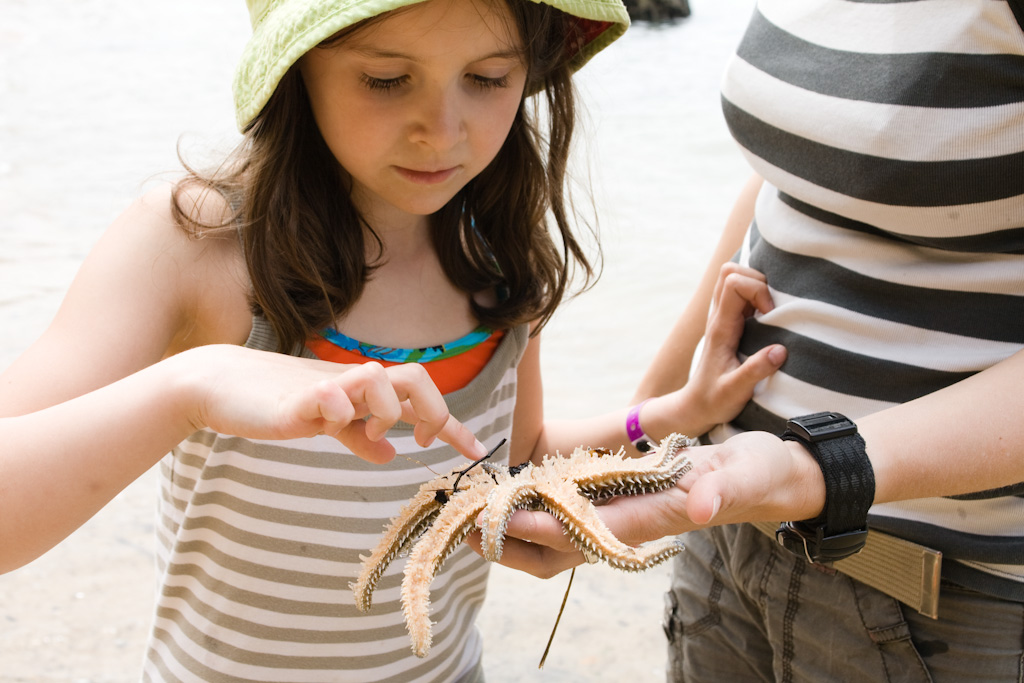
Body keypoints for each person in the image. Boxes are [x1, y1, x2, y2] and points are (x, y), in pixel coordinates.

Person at [0, 0, 793, 680]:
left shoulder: (499, 262)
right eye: (386, 79)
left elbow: (519, 464)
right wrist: (194, 384)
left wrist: (671, 413)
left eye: (488, 78)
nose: (443, 131)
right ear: (298, 65)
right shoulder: (197, 246)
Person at [488, 1, 1024, 681]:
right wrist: (639, 437)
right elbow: (795, 173)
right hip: (726, 526)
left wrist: (816, 469)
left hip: (935, 586)